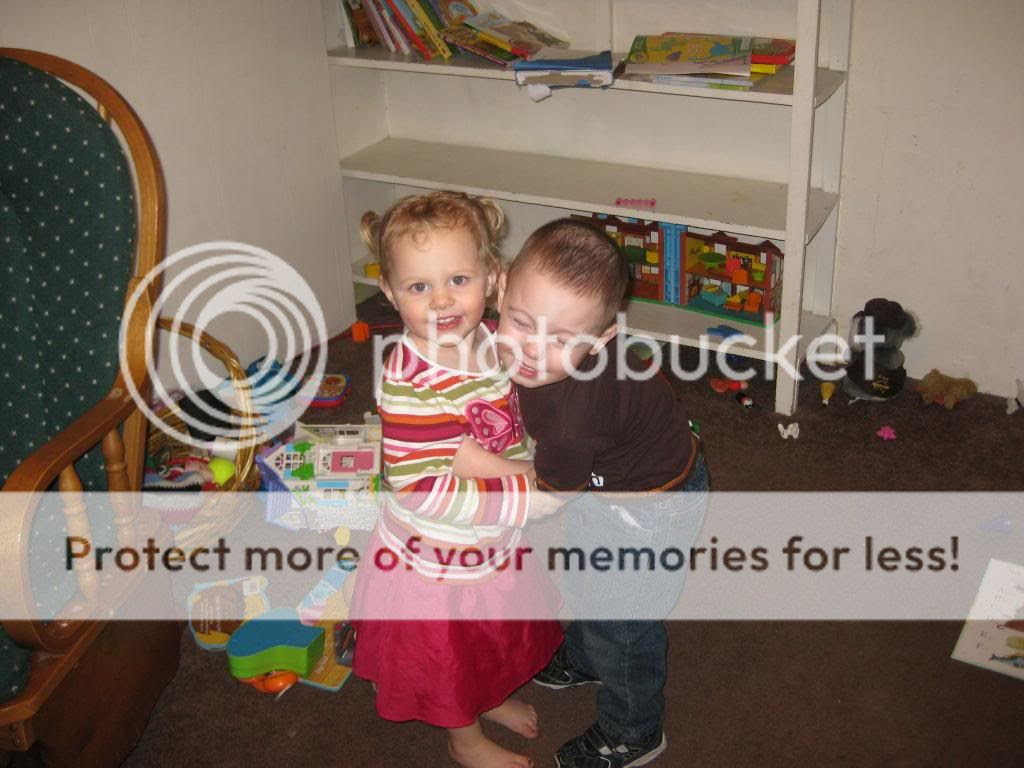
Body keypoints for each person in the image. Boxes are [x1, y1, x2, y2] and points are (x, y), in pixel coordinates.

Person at [349, 190, 563, 768]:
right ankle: (463, 740)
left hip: (488, 532)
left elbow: (485, 429)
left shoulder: (488, 337)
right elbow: (421, 485)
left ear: (492, 278)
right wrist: (522, 491)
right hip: (440, 551)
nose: (441, 300)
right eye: (419, 287)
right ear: (389, 291)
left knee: (487, 635)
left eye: (458, 280)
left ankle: (486, 698)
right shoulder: (410, 381)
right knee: (449, 653)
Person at [495, 217, 710, 768]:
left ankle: (634, 730)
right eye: (520, 322)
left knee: (624, 618)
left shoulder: (573, 421)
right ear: (501, 291)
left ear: (602, 339)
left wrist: (487, 490)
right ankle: (589, 655)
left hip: (651, 506)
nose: (531, 350)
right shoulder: (556, 375)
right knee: (590, 574)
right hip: (615, 477)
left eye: (560, 340)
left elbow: (550, 492)